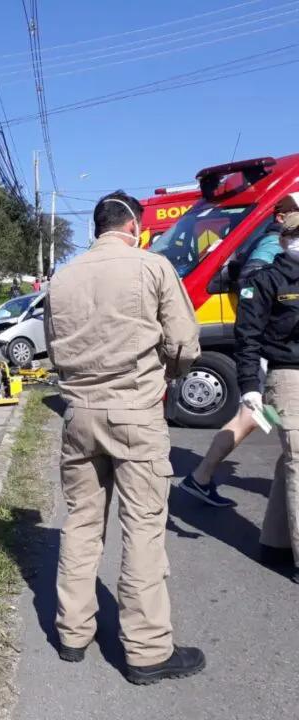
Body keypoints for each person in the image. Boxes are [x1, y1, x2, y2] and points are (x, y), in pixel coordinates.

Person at [45, 190, 204, 684]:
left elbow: (53, 347)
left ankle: (72, 633)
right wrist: (168, 375)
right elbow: (183, 344)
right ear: (132, 224)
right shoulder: (152, 267)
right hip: (135, 411)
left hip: (79, 416)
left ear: (98, 226)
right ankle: (147, 650)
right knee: (143, 527)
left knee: (81, 524)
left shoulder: (61, 278)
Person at [180, 195, 299, 508]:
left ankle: (201, 476)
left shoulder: (272, 242)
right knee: (254, 417)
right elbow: (255, 287)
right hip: (270, 352)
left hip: (266, 349)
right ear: (285, 218)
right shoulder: (273, 245)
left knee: (259, 420)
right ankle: (201, 476)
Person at [234, 210, 299, 584]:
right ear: (285, 238)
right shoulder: (265, 281)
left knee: (289, 462)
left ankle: (275, 543)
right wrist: (250, 387)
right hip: (286, 378)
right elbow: (247, 338)